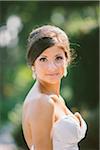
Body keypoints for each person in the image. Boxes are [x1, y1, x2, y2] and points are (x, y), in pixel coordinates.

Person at [22, 25, 87, 150]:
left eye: (58, 58)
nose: (52, 67)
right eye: (43, 59)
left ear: (66, 61)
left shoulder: (54, 97)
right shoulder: (42, 102)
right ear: (33, 65)